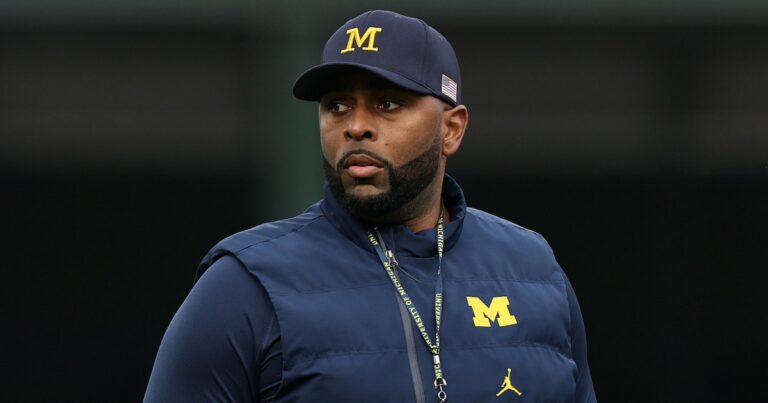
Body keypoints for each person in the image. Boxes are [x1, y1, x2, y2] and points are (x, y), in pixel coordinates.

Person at [145, 9, 596, 403]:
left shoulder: (534, 272)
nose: (356, 126)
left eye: (387, 103)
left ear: (451, 129)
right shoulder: (244, 285)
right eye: (337, 105)